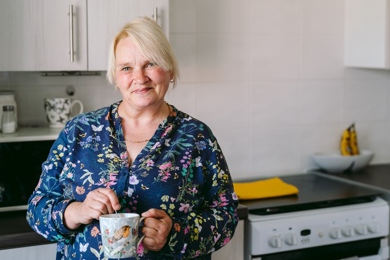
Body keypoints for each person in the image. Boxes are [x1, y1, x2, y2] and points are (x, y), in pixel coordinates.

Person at [27, 17, 239, 259]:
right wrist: (77, 211)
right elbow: (36, 209)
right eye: (126, 67)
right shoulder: (79, 131)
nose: (140, 77)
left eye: (150, 64)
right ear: (116, 77)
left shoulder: (196, 137)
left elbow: (226, 215)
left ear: (169, 70)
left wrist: (175, 233)